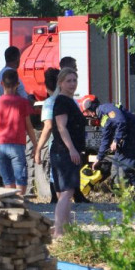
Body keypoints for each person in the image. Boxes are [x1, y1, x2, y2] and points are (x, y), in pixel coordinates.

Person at [0, 69, 37, 196]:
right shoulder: (22, 103)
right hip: (17, 145)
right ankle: (20, 203)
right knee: (20, 177)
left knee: (8, 179)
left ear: (2, 83)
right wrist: (36, 145)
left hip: (0, 145)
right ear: (18, 84)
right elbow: (29, 127)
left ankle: (11, 205)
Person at [50, 68, 87, 236]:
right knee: (67, 191)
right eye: (68, 81)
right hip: (64, 151)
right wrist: (72, 149)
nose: (72, 84)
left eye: (74, 80)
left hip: (62, 151)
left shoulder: (69, 101)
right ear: (60, 83)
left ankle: (67, 228)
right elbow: (61, 126)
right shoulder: (63, 101)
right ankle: (59, 230)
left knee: (62, 193)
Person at [80, 96, 135, 194]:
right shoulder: (103, 117)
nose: (88, 115)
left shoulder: (106, 109)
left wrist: (116, 140)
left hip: (131, 137)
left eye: (86, 112)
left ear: (90, 109)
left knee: (126, 167)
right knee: (116, 166)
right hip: (124, 138)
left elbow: (121, 121)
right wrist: (99, 158)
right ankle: (121, 194)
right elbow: (105, 138)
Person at [34, 67, 61, 202]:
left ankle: (55, 201)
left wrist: (38, 149)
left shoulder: (50, 102)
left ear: (46, 86)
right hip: (72, 144)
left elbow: (48, 126)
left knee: (54, 172)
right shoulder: (71, 100)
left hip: (57, 144)